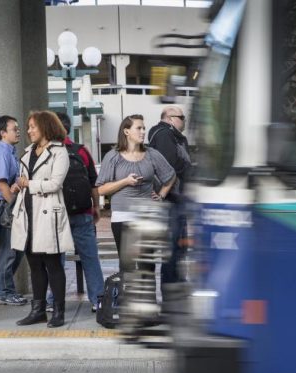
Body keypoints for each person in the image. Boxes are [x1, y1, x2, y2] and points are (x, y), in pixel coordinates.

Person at [96, 114, 176, 302]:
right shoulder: (113, 156)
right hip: (122, 216)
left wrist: (162, 194)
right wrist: (125, 181)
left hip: (147, 216)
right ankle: (129, 307)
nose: (143, 131)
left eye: (143, 128)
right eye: (138, 128)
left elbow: (170, 175)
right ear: (126, 131)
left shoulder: (152, 154)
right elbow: (101, 189)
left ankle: (148, 306)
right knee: (128, 265)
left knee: (147, 265)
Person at [11, 111, 74, 328]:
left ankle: (58, 311)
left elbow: (55, 184)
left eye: (32, 127)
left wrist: (29, 184)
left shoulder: (59, 152)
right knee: (34, 265)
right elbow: (24, 181)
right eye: (28, 127)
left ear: (45, 127)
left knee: (53, 264)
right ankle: (37, 310)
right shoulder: (28, 152)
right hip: (28, 214)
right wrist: (19, 185)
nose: (28, 131)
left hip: (47, 213)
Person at [45, 112, 105, 313]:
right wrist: (96, 207)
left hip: (55, 214)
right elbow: (93, 183)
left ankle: (53, 300)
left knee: (56, 260)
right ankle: (98, 299)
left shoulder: (46, 152)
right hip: (83, 212)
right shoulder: (81, 151)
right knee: (90, 257)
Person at [148, 106, 191, 288]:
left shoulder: (171, 135)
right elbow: (169, 166)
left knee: (179, 246)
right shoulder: (164, 134)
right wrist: (188, 168)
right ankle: (171, 287)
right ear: (170, 118)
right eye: (182, 117)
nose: (184, 121)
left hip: (175, 198)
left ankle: (176, 283)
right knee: (173, 247)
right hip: (171, 199)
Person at [0, 115, 27, 306]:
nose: (18, 131)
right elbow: (2, 185)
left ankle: (0, 289)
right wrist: (13, 208)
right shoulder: (2, 153)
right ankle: (4, 292)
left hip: (7, 205)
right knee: (9, 251)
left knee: (15, 250)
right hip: (6, 207)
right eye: (14, 128)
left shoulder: (10, 151)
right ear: (3, 133)